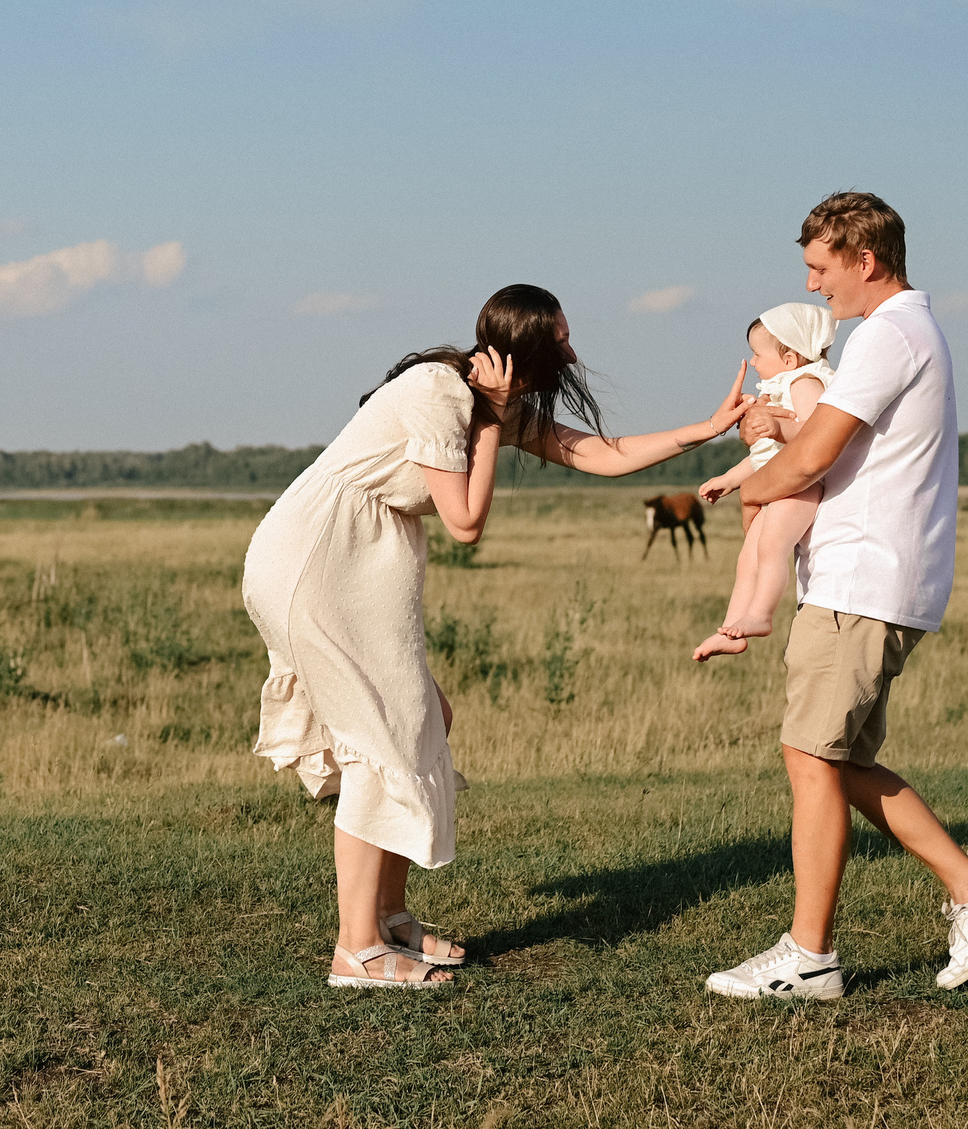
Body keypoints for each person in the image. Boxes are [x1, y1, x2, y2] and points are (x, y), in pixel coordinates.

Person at [244, 283, 750, 988]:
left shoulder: (483, 407)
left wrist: (702, 429)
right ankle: (356, 950)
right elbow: (465, 521)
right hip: (317, 558)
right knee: (381, 736)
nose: (572, 351)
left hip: (354, 561)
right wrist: (497, 418)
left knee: (425, 716)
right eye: (562, 339)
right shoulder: (439, 391)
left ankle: (388, 920)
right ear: (525, 348)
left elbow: (597, 452)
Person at [705, 193, 968, 1001]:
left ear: (865, 260)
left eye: (820, 268)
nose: (815, 287)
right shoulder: (909, 330)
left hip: (863, 579)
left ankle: (809, 954)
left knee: (809, 753)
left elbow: (815, 452)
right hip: (878, 578)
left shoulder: (886, 335)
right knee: (840, 757)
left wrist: (753, 480)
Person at [692, 303, 836, 665]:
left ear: (789, 357)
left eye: (758, 354)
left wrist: (777, 427)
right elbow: (762, 457)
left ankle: (762, 616)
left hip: (799, 486)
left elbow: (817, 435)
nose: (753, 362)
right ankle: (731, 629)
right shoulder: (779, 387)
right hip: (776, 486)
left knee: (771, 547)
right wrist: (729, 479)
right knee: (748, 558)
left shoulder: (805, 383)